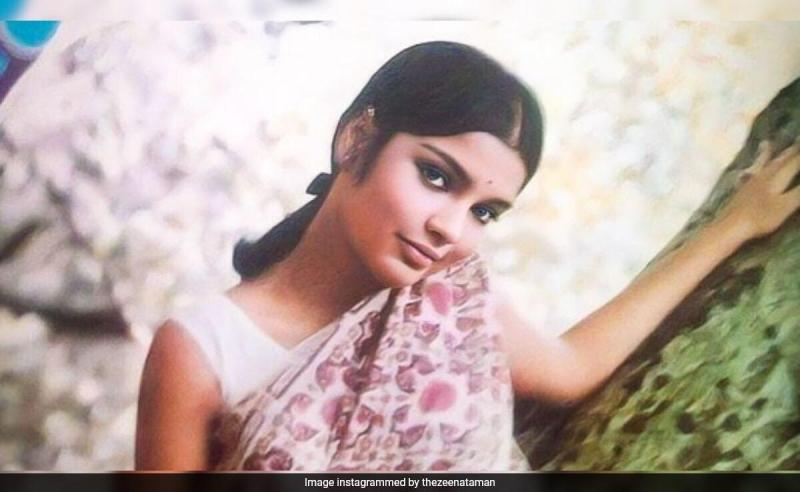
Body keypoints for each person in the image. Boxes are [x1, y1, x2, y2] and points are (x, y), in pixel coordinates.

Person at [134, 41, 800, 471]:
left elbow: (571, 368)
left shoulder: (448, 304)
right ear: (356, 139)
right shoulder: (201, 350)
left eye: (485, 211)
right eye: (436, 175)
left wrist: (735, 225)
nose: (451, 228)